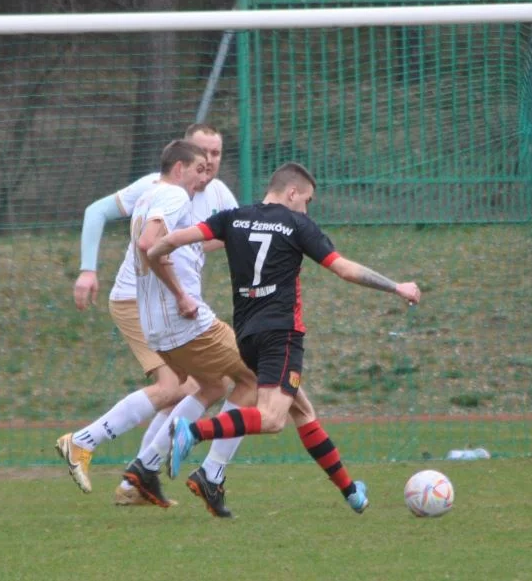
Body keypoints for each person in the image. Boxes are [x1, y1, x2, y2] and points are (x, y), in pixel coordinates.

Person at [152, 162, 422, 514]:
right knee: (271, 419)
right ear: (292, 192)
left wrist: (150, 257)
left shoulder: (232, 217)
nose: (307, 208)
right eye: (306, 199)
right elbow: (343, 268)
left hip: (247, 337)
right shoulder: (297, 224)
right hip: (281, 335)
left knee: (303, 411)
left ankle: (352, 492)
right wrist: (395, 286)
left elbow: (173, 239)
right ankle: (194, 432)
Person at [57, 139, 254, 510]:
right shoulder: (165, 192)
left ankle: (141, 473)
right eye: (203, 158)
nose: (210, 165)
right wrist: (179, 292)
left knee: (204, 385)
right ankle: (88, 443)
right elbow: (137, 236)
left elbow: (219, 236)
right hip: (146, 304)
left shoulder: (208, 192)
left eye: (217, 155)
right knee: (191, 385)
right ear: (181, 163)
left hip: (162, 309)